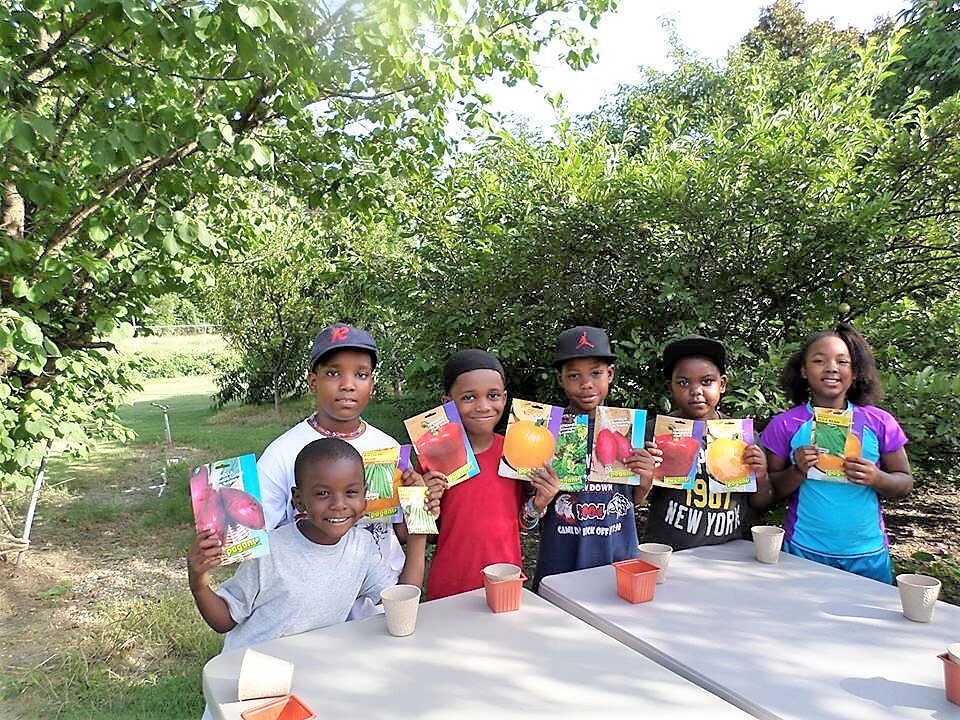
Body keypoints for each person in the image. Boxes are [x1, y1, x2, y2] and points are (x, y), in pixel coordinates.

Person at [256, 323, 434, 618]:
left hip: (382, 595)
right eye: (334, 373)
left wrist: (419, 502)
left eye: (361, 374)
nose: (348, 384)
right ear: (313, 381)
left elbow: (400, 530)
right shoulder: (283, 453)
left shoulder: (388, 448)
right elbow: (258, 534)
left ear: (372, 385)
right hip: (314, 600)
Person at [188, 438, 427, 652]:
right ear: (299, 500)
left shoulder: (361, 547)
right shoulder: (270, 552)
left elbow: (402, 601)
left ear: (365, 497)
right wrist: (199, 583)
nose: (339, 504)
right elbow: (224, 621)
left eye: (351, 492)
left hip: (309, 671)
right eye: (323, 494)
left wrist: (418, 532)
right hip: (251, 672)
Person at [761, 324, 913, 583]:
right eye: (819, 360)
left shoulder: (879, 422)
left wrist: (877, 478)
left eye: (842, 361)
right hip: (802, 551)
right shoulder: (786, 424)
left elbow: (905, 482)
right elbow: (769, 491)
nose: (831, 367)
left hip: (867, 554)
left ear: (854, 372)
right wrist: (797, 470)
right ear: (803, 370)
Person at [423, 349, 560, 600]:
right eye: (468, 397)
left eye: (493, 395)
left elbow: (523, 522)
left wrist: (540, 502)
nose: (483, 406)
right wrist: (424, 501)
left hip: (504, 583)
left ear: (505, 398)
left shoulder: (517, 453)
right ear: (447, 403)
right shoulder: (435, 459)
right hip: (450, 584)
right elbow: (428, 534)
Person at [531, 326, 657, 591]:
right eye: (574, 375)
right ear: (560, 379)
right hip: (560, 557)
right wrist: (540, 498)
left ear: (610, 374)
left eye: (596, 373)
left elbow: (633, 498)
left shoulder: (630, 430)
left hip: (616, 553)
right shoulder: (545, 431)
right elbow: (530, 510)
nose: (586, 383)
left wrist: (646, 479)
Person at [641, 335, 775, 548]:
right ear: (670, 387)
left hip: (727, 551)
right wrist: (646, 471)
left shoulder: (742, 437)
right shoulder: (654, 432)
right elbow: (634, 499)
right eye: (683, 382)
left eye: (707, 381)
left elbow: (761, 501)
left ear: (722, 384)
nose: (696, 391)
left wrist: (761, 474)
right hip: (669, 550)